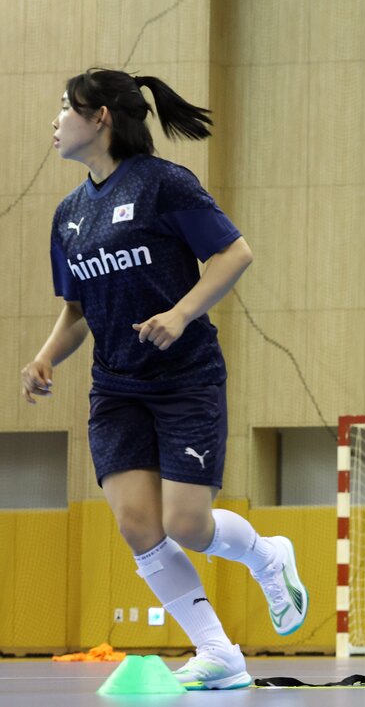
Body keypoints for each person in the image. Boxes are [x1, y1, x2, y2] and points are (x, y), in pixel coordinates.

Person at [22, 69, 305, 690]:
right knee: (136, 524)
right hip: (117, 387)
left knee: (186, 524)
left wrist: (181, 314)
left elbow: (234, 253)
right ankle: (219, 653)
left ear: (100, 118)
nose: (55, 119)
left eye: (65, 108)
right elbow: (76, 311)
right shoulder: (70, 215)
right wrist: (46, 356)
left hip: (185, 378)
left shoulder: (163, 185)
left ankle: (266, 554)